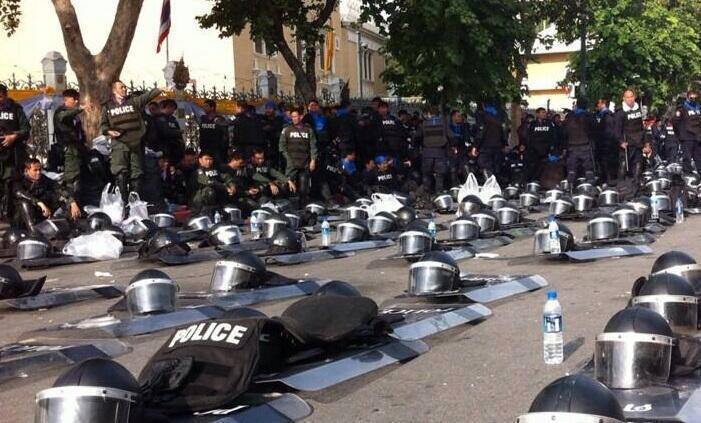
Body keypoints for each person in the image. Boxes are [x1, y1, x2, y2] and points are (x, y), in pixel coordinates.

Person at [100, 81, 162, 201]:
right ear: (114, 90)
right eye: (121, 87)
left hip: (135, 143)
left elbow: (147, 96)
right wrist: (109, 132)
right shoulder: (107, 107)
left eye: (125, 87)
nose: (124, 89)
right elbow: (103, 126)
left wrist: (159, 89)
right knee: (120, 173)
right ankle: (121, 203)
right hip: (119, 144)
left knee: (137, 174)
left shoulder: (133, 102)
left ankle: (134, 203)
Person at [53, 88, 86, 220]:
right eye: (75, 100)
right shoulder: (60, 112)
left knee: (78, 179)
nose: (77, 102)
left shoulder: (74, 116)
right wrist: (80, 109)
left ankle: (77, 208)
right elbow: (63, 116)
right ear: (66, 100)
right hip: (67, 152)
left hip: (76, 151)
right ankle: (71, 210)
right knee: (70, 180)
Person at [0, 83, 30, 220]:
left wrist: (13, 137)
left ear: (5, 95)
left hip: (12, 156)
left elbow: (26, 129)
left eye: (0, 96)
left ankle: (12, 217)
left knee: (12, 186)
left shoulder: (15, 109)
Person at [13, 158, 63, 232]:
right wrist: (39, 203)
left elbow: (58, 187)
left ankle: (64, 226)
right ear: (27, 170)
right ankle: (34, 233)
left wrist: (71, 201)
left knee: (59, 197)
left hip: (41, 215)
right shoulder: (19, 181)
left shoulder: (43, 179)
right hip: (23, 221)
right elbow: (20, 193)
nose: (38, 172)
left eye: (40, 169)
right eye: (35, 170)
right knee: (24, 203)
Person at [280, 108, 317, 207]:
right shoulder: (286, 129)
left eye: (296, 116)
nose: (294, 118)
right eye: (292, 117)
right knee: (285, 186)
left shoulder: (308, 130)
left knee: (303, 189)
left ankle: (302, 208)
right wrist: (288, 159)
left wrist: (313, 160)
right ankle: (285, 206)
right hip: (291, 164)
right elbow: (282, 147)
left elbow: (313, 146)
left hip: (304, 163)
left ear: (300, 117)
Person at [615, 88, 645, 194]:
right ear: (624, 98)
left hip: (638, 143)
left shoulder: (638, 110)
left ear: (634, 97)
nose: (630, 99)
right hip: (626, 144)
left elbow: (642, 127)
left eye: (631, 96)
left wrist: (645, 143)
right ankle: (622, 189)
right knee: (623, 166)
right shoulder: (620, 112)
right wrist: (621, 142)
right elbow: (617, 130)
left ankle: (636, 187)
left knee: (638, 165)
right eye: (627, 97)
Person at [563, 98, 596, 184]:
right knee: (588, 169)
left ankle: (569, 189)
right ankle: (590, 188)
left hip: (572, 146)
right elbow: (594, 129)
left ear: (577, 105)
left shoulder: (569, 116)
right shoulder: (589, 116)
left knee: (571, 169)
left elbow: (564, 131)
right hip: (585, 145)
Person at [521, 107, 557, 183]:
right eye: (542, 112)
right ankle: (531, 182)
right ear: (537, 114)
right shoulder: (532, 124)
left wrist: (552, 146)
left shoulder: (549, 124)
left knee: (543, 167)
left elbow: (553, 136)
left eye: (545, 112)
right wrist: (525, 145)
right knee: (533, 167)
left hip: (545, 150)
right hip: (534, 150)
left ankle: (541, 182)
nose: (544, 114)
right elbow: (528, 136)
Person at [420, 107, 449, 194]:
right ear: (438, 114)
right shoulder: (443, 124)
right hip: (440, 152)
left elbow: (417, 137)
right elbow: (451, 136)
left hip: (427, 153)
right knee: (439, 175)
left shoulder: (424, 123)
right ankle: (439, 194)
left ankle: (426, 195)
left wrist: (418, 146)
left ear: (429, 113)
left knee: (426, 174)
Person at [474, 103, 506, 181]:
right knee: (495, 166)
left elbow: (480, 134)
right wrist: (504, 144)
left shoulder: (483, 117)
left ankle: (489, 183)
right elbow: (503, 132)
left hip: (486, 147)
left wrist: (475, 146)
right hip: (497, 146)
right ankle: (496, 184)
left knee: (484, 164)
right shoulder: (498, 119)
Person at [673, 90, 701, 172]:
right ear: (688, 98)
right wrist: (679, 136)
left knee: (699, 158)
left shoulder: (699, 108)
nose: (694, 99)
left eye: (696, 98)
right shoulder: (682, 108)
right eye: (691, 98)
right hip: (687, 137)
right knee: (687, 159)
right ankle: (687, 175)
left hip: (697, 137)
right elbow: (675, 122)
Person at [594, 99, 618, 186]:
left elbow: (608, 132)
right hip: (605, 144)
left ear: (603, 104)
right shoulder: (604, 115)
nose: (597, 106)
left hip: (606, 145)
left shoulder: (606, 116)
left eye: (598, 104)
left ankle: (608, 180)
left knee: (606, 164)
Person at [199, 99, 230, 165]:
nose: (204, 108)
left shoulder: (220, 119)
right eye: (203, 106)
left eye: (206, 106)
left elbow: (225, 135)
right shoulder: (203, 119)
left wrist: (224, 149)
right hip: (205, 149)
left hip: (217, 150)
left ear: (212, 107)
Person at [156, 99, 184, 165]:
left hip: (174, 150)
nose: (173, 111)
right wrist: (178, 132)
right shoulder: (159, 118)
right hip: (164, 149)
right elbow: (164, 132)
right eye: (172, 108)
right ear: (167, 107)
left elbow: (179, 134)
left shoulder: (173, 119)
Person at [260, 100, 284, 169]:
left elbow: (276, 128)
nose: (268, 110)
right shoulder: (262, 118)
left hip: (275, 146)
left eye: (270, 108)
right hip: (265, 147)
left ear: (274, 109)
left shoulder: (278, 119)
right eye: (267, 108)